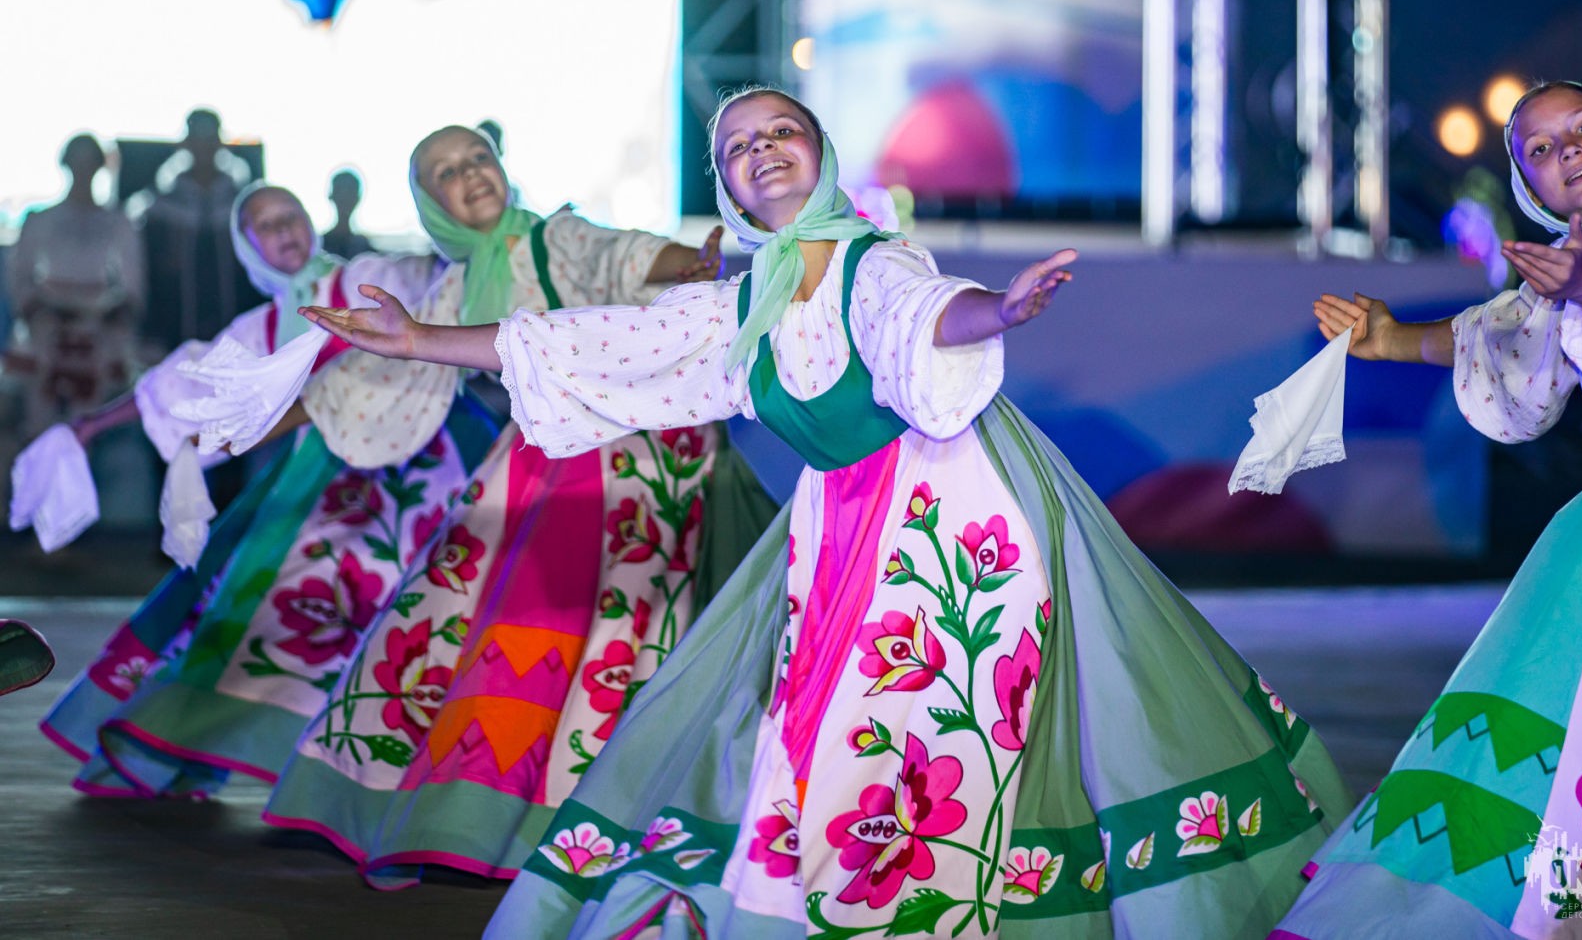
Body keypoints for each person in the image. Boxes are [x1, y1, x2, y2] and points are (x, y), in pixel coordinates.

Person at [304, 89, 1351, 938]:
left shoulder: (872, 258)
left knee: (922, 718)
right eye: (739, 146)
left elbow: (927, 313)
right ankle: (832, 898)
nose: (762, 151)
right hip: (839, 520)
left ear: (820, 154)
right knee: (823, 718)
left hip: (954, 512)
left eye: (781, 133)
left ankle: (919, 903)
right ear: (726, 186)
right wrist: (419, 342)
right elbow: (592, 341)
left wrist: (999, 308)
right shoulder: (743, 301)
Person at [256, 124, 778, 887]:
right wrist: (259, 422)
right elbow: (384, 373)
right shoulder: (452, 286)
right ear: (429, 202)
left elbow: (619, 255)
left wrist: (685, 264)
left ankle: (583, 820)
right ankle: (427, 812)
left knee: (602, 637)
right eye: (447, 172)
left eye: (479, 159)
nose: (471, 176)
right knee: (446, 616)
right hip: (541, 460)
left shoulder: (552, 237)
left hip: (635, 457)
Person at [1275, 82, 1582, 936]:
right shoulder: (1575, 258)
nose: (1568, 150)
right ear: (1525, 185)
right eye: (1540, 149)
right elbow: (1502, 330)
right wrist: (1391, 338)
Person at [40, 183, 494, 798]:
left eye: (291, 216)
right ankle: (180, 748)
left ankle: (421, 773)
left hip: (433, 457)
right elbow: (175, 388)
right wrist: (93, 424)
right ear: (248, 247)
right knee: (254, 608)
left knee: (449, 603)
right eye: (267, 225)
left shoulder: (369, 279)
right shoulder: (262, 328)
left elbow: (440, 276)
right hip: (326, 480)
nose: (285, 231)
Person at [4, 133, 145, 438]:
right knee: (38, 419)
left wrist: (110, 315)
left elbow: (132, 284)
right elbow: (20, 276)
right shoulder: (40, 220)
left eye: (89, 162)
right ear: (66, 164)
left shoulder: (117, 222)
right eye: (77, 161)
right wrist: (40, 313)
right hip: (46, 332)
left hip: (98, 334)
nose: (83, 169)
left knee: (91, 419)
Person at [137, 108, 261, 353]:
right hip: (175, 331)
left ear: (220, 142)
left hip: (236, 330)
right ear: (186, 143)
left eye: (210, 138)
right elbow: (151, 275)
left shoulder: (243, 207)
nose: (204, 146)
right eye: (197, 138)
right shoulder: (162, 209)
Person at [323, 169, 374, 259]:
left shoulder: (363, 246)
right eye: (341, 193)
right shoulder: (319, 245)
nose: (345, 200)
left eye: (349, 193)